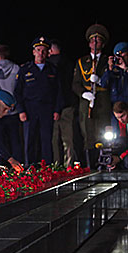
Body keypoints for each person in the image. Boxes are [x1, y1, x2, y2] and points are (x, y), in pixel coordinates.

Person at [15, 36, 64, 166]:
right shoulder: (25, 69)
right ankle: (29, 167)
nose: (40, 53)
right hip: (29, 108)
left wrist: (57, 110)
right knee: (29, 140)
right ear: (33, 52)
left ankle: (47, 167)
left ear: (48, 53)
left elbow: (58, 92)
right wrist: (21, 110)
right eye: (38, 50)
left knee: (46, 140)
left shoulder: (53, 69)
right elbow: (17, 92)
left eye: (43, 51)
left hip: (47, 109)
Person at [72, 24, 111, 168]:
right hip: (86, 102)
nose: (95, 43)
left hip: (103, 101)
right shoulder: (82, 62)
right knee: (87, 135)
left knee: (103, 134)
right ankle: (90, 167)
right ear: (89, 43)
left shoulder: (108, 60)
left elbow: (111, 80)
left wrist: (100, 81)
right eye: (93, 40)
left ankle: (104, 164)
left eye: (98, 41)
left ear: (103, 43)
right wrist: (84, 94)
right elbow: (75, 84)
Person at [48, 38, 78, 168]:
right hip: (68, 104)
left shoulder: (49, 65)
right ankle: (69, 166)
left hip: (54, 105)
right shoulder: (70, 63)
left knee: (54, 139)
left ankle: (55, 166)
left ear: (51, 50)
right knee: (68, 139)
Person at [107, 101, 128, 169]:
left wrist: (120, 157)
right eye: (117, 117)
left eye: (123, 116)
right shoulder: (120, 123)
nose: (121, 120)